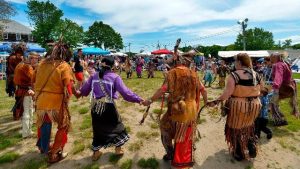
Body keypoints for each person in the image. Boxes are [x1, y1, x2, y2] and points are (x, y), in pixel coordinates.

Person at [142, 49, 207, 168]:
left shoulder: (172, 73)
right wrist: (206, 103)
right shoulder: (194, 73)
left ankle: (171, 153)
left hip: (176, 110)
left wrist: (150, 100)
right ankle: (183, 152)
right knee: (186, 131)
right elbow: (203, 90)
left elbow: (162, 90)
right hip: (191, 110)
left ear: (177, 61)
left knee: (164, 129)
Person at [74, 57, 144, 161]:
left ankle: (96, 153)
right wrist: (139, 100)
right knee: (116, 126)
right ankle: (118, 149)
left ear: (101, 65)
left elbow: (83, 92)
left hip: (95, 107)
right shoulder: (115, 77)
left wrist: (73, 89)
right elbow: (126, 94)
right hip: (108, 107)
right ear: (112, 66)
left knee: (97, 128)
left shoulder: (94, 76)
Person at [207, 53, 263, 161]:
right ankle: (251, 147)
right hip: (255, 105)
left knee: (235, 129)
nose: (234, 63)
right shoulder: (256, 74)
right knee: (248, 126)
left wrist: (216, 101)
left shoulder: (234, 75)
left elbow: (227, 93)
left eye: (235, 61)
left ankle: (239, 153)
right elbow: (262, 89)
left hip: (239, 106)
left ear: (239, 62)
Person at [34, 42, 74, 163]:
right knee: (64, 125)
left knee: (43, 124)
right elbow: (68, 88)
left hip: (40, 101)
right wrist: (66, 100)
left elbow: (33, 80)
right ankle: (54, 153)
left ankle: (43, 147)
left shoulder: (41, 64)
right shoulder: (64, 65)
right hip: (56, 103)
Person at [13, 52, 39, 137]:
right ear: (29, 58)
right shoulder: (26, 67)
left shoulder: (20, 65)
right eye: (33, 58)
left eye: (36, 58)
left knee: (29, 111)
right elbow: (34, 79)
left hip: (23, 90)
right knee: (27, 112)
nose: (34, 60)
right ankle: (25, 133)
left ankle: (28, 131)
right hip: (26, 91)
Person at [269, 53, 299, 126]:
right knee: (274, 102)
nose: (270, 59)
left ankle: (279, 120)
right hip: (290, 88)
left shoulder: (278, 65)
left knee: (271, 100)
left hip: (284, 88)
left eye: (271, 57)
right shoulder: (284, 63)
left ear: (274, 57)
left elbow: (278, 76)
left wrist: (275, 87)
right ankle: (280, 118)